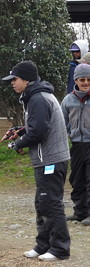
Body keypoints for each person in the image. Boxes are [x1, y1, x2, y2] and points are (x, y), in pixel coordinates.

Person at [2, 60, 70, 262]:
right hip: (46, 159)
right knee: (42, 202)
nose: (12, 83)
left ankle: (60, 249)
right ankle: (43, 246)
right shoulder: (35, 96)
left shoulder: (38, 98)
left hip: (51, 159)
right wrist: (20, 132)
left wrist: (18, 144)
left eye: (15, 79)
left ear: (26, 79)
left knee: (51, 203)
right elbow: (37, 125)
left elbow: (39, 132)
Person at [61, 63, 90, 226]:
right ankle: (80, 212)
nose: (85, 83)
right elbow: (62, 122)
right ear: (76, 81)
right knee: (76, 179)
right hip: (77, 145)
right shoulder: (67, 100)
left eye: (88, 80)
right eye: (82, 80)